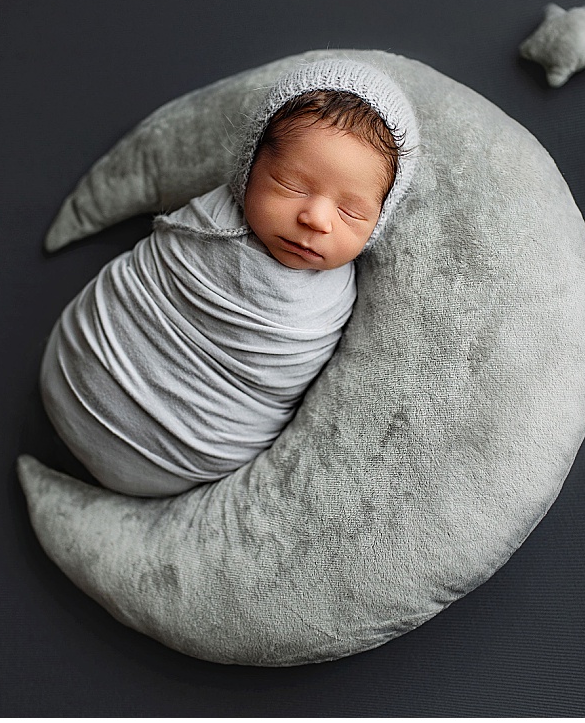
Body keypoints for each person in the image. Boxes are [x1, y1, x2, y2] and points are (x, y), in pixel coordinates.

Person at [40, 59, 420, 496]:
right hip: (78, 370)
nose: (316, 218)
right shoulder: (207, 219)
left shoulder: (335, 301)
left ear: (379, 221)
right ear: (249, 165)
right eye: (291, 184)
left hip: (175, 458)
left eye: (350, 212)